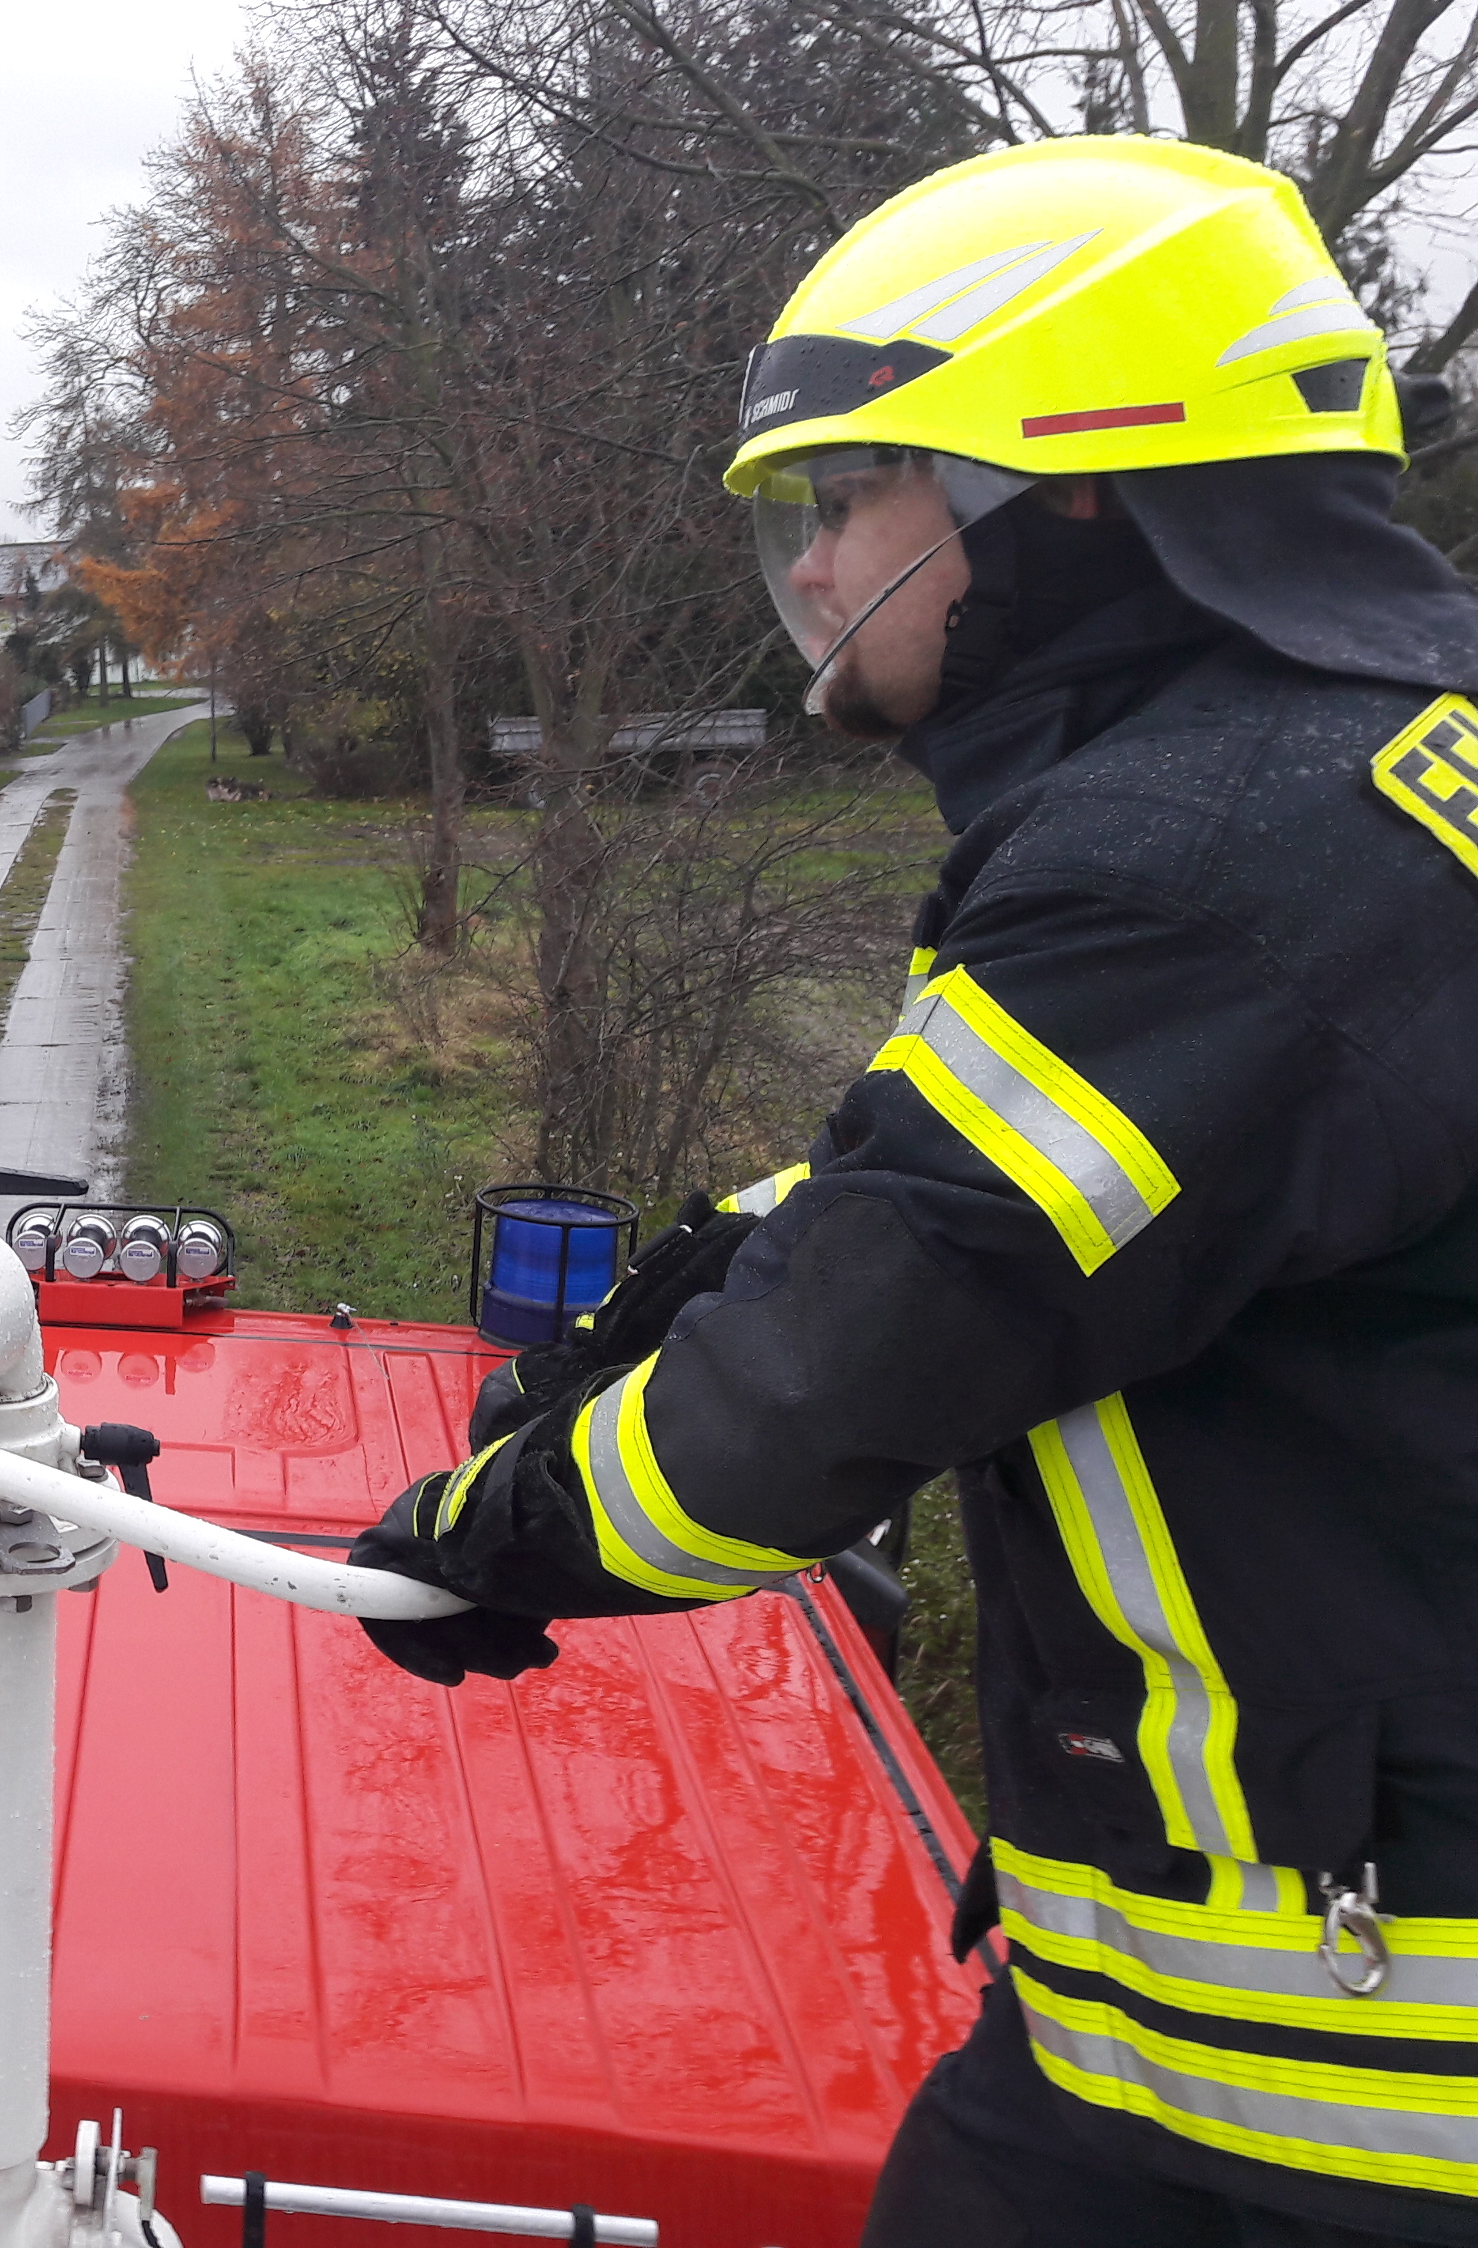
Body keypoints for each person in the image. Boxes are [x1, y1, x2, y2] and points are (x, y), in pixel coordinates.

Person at [349, 132, 1478, 2247]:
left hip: (1330, 2097)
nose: (805, 569)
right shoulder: (1365, 781)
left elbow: (836, 1380)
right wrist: (714, 1265)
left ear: (1064, 493)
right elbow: (1035, 1189)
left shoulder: (1192, 869)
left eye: (843, 496)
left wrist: (493, 1533)